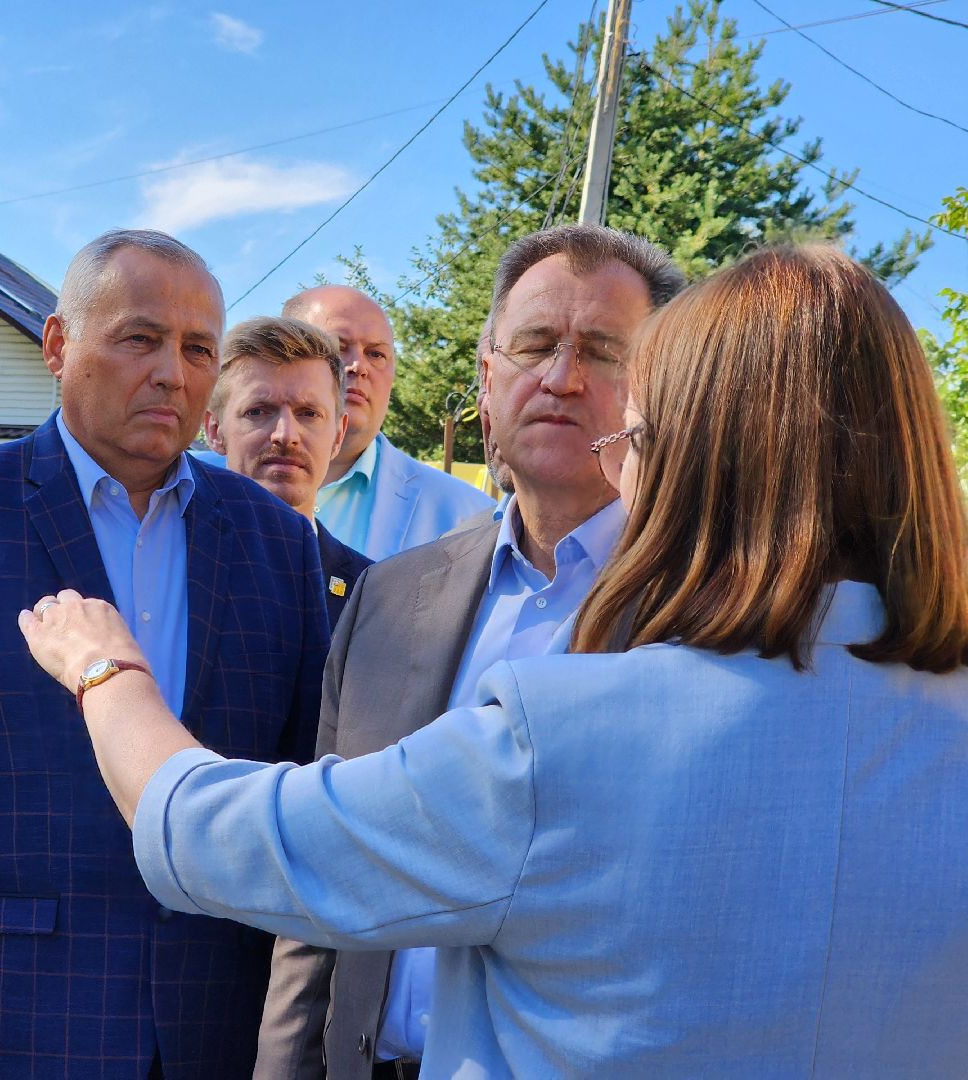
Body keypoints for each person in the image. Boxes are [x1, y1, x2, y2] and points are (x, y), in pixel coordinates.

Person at [19, 245, 968, 1077]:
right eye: (533, 346)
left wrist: (108, 672)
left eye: (634, 422)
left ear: (700, 458)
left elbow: (227, 836)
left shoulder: (573, 729)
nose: (601, 431)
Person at [0, 229, 329, 1079]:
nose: (173, 372)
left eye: (199, 349)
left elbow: (300, 800)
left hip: (216, 1035)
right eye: (139, 338)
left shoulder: (276, 540)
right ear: (58, 345)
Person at [257, 225, 686, 1079]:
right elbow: (322, 872)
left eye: (602, 351)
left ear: (657, 394)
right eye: (534, 345)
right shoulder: (389, 595)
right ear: (488, 380)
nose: (561, 379)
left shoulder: (705, 610)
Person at [282, 285, 493, 560]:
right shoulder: (210, 483)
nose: (358, 366)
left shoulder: (468, 519)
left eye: (376, 354)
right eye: (336, 347)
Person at [203, 315, 371, 628]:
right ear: (215, 430)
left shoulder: (372, 594)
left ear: (337, 435)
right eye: (258, 412)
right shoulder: (170, 568)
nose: (286, 434)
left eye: (309, 414)